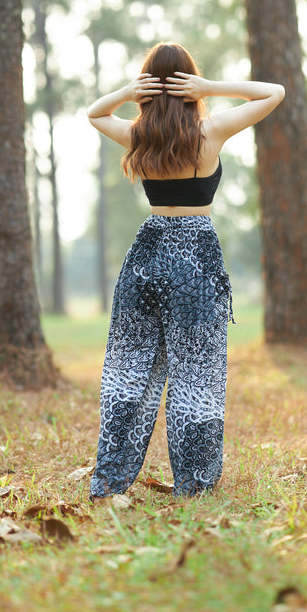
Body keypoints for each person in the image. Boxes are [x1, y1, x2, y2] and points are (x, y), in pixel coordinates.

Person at [87, 42, 285, 499]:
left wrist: (126, 92)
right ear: (189, 83)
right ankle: (194, 484)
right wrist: (210, 87)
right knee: (197, 373)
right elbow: (273, 92)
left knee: (128, 368)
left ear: (147, 88)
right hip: (195, 256)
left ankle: (110, 480)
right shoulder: (210, 131)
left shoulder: (139, 136)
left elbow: (95, 115)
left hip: (148, 254)